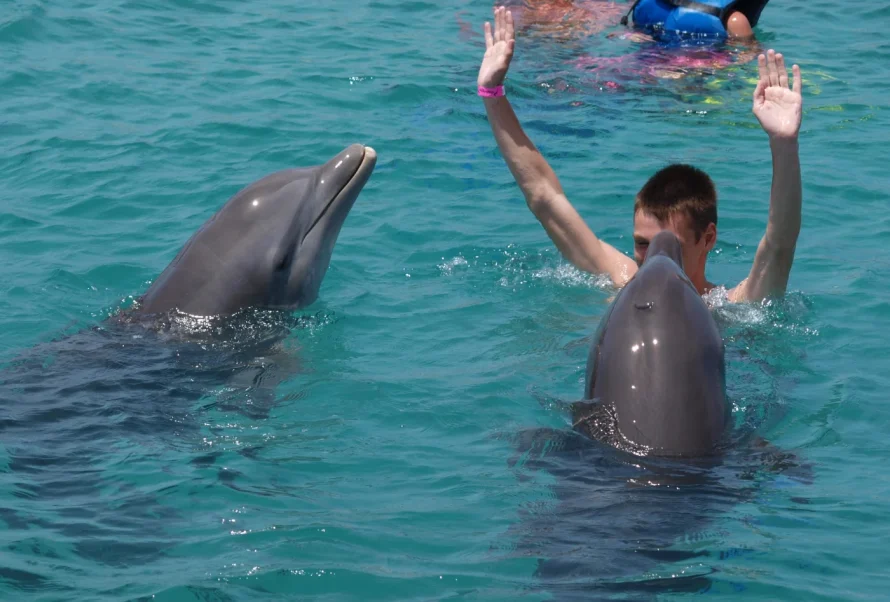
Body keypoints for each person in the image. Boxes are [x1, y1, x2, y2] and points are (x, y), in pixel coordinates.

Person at [476, 7, 802, 303]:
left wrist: (783, 143)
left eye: (669, 246)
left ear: (708, 238)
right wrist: (492, 94)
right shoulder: (623, 280)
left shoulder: (732, 307)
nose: (652, 260)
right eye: (643, 245)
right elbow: (543, 196)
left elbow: (779, 244)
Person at [620, 0, 770, 40]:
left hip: (701, 72)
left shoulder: (734, 21)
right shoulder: (652, 5)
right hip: (651, 63)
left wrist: (697, 68)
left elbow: (747, 56)